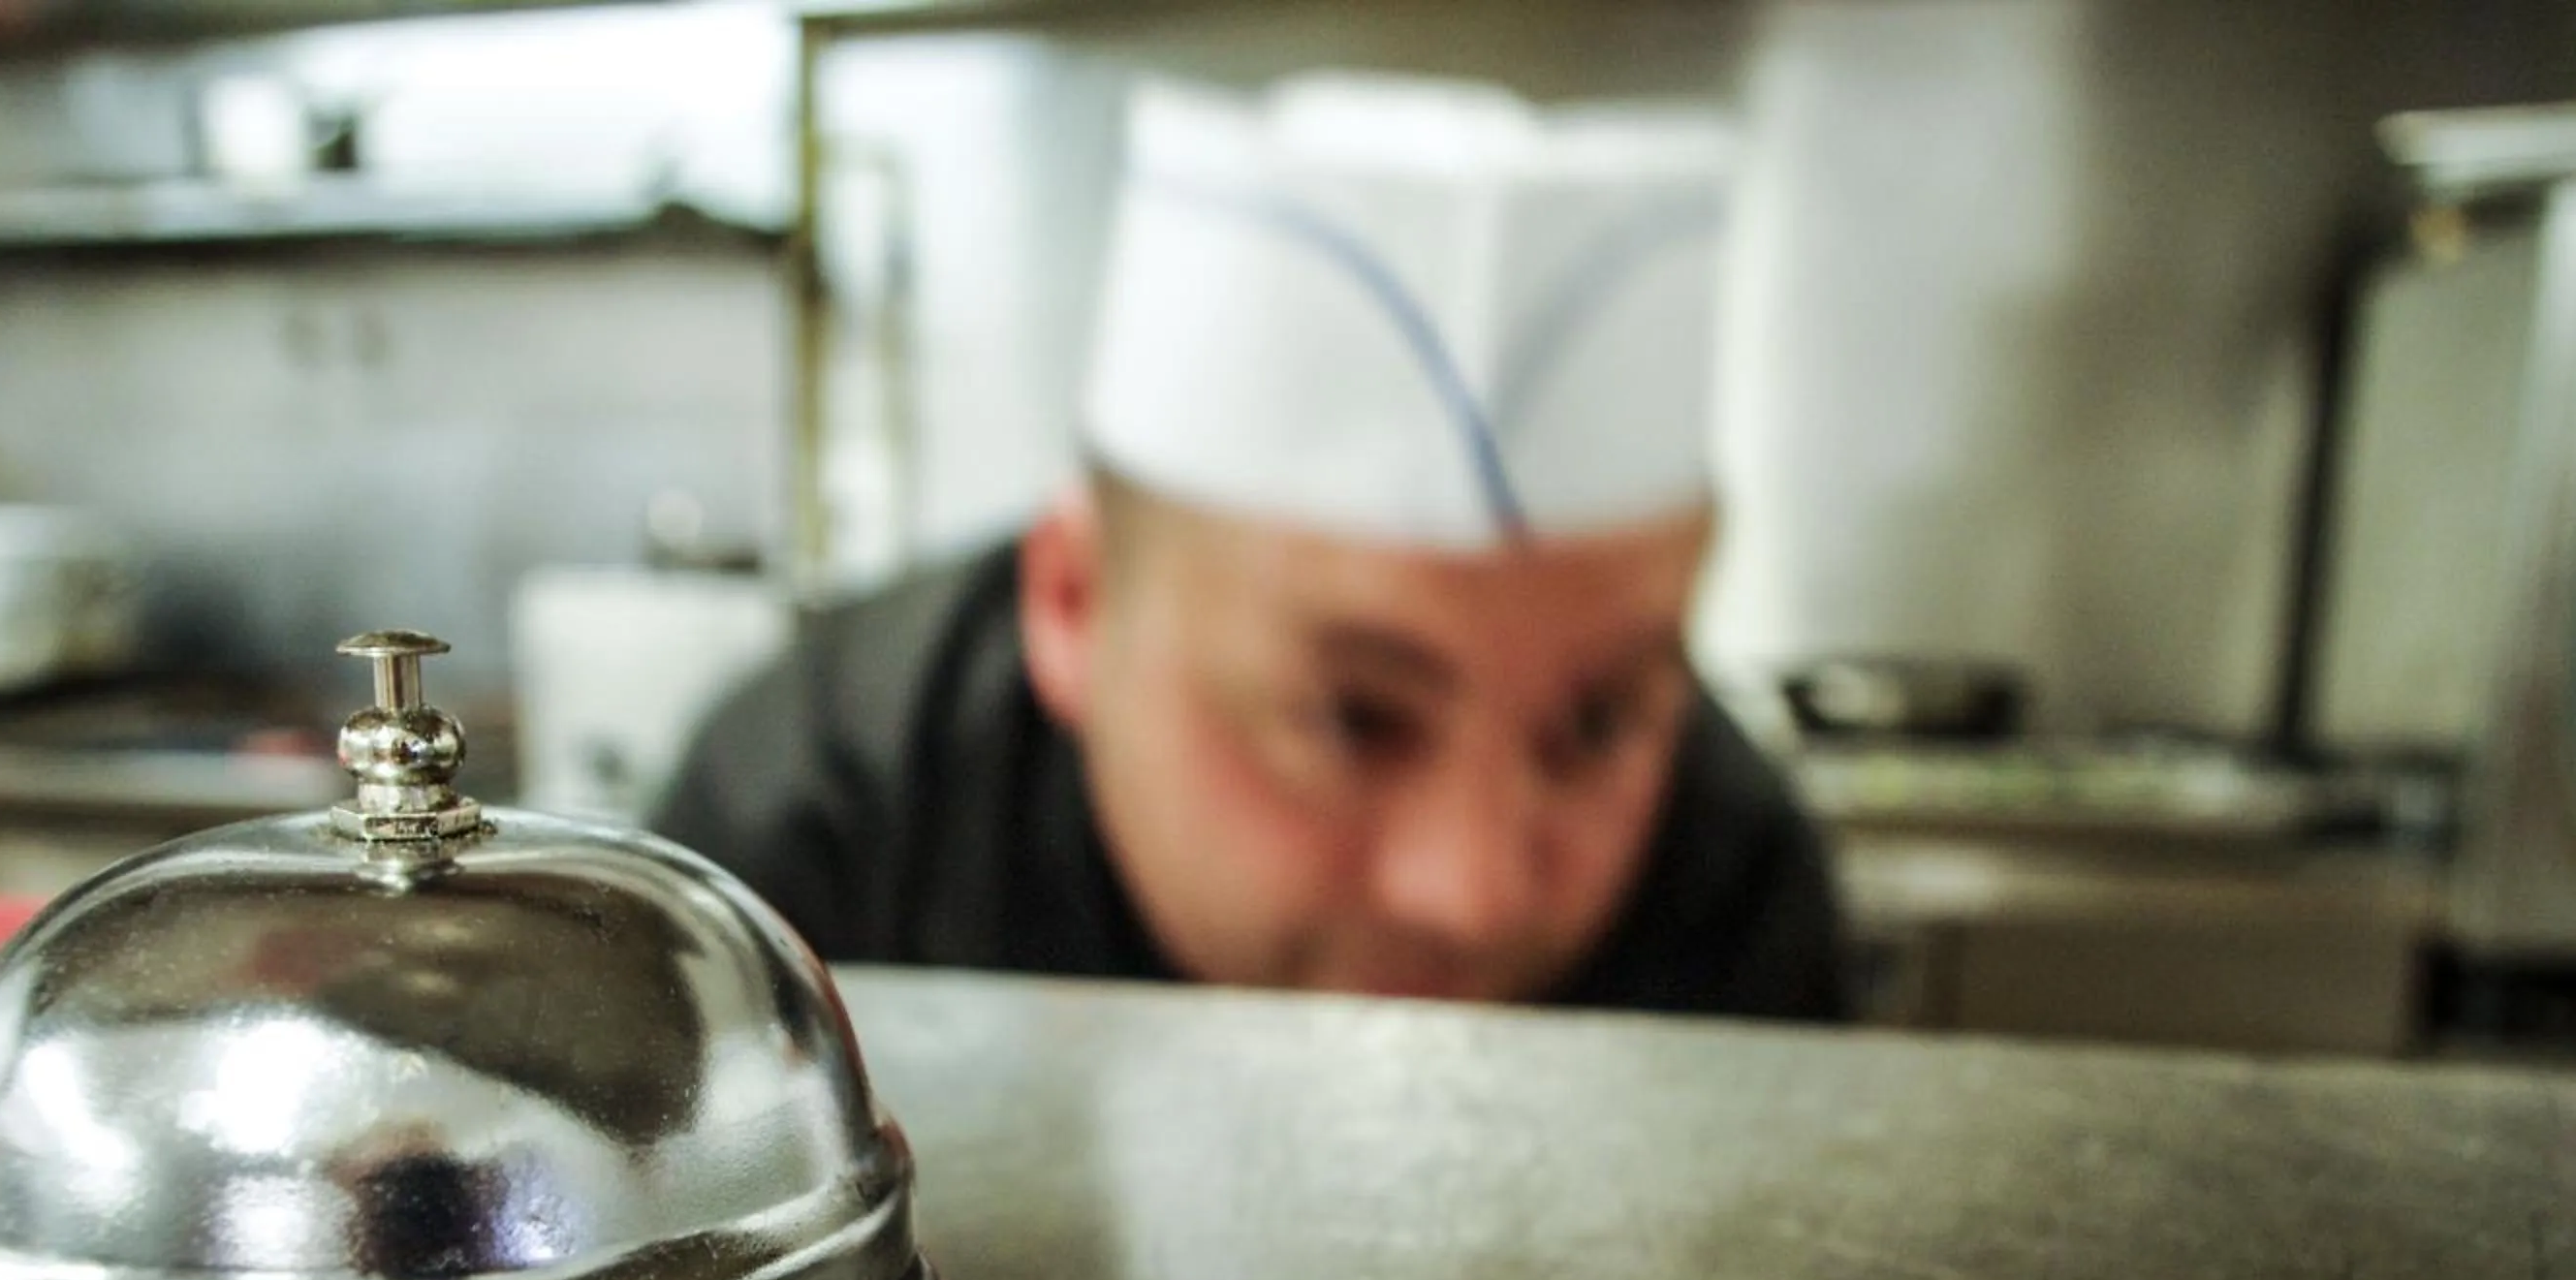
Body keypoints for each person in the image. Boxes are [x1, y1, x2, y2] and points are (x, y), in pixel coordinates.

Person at [660, 73, 1845, 1018]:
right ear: (1076, 601)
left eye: (1595, 723)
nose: (1471, 894)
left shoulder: (1737, 889)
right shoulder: (801, 853)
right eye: (1354, 717)